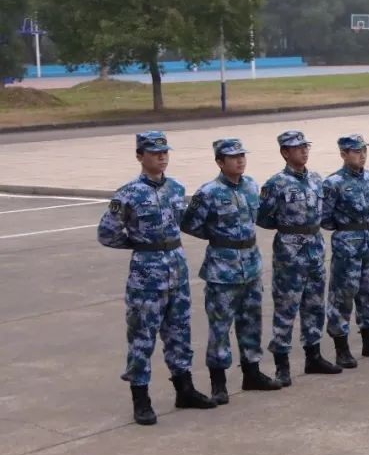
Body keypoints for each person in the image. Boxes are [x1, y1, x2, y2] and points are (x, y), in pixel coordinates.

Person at [97, 131, 216, 426]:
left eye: (165, 152)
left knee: (179, 332)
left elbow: (183, 223)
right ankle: (141, 398)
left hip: (176, 268)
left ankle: (184, 389)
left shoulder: (175, 188)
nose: (162, 157)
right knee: (142, 336)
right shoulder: (128, 194)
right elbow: (107, 233)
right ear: (140, 156)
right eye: (154, 152)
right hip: (146, 273)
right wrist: (140, 245)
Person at [180, 138, 281, 404]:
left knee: (251, 322)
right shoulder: (208, 192)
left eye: (242, 156)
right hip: (222, 269)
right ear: (219, 162)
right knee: (220, 326)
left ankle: (252, 372)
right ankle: (219, 382)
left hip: (250, 264)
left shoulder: (250, 186)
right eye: (233, 157)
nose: (240, 160)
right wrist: (220, 239)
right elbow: (190, 225)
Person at [257, 130, 341, 386]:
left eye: (306, 147)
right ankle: (282, 363)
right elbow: (263, 218)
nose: (303, 151)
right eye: (297, 148)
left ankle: (313, 355)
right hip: (290, 251)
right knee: (286, 306)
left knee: (315, 304)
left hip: (315, 247)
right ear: (285, 152)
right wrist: (290, 231)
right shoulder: (276, 184)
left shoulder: (316, 179)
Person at [321, 134, 369, 368]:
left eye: (364, 150)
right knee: (343, 295)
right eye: (356, 151)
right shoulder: (333, 183)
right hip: (347, 243)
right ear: (344, 154)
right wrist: (347, 230)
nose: (362, 155)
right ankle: (341, 347)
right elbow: (325, 218)